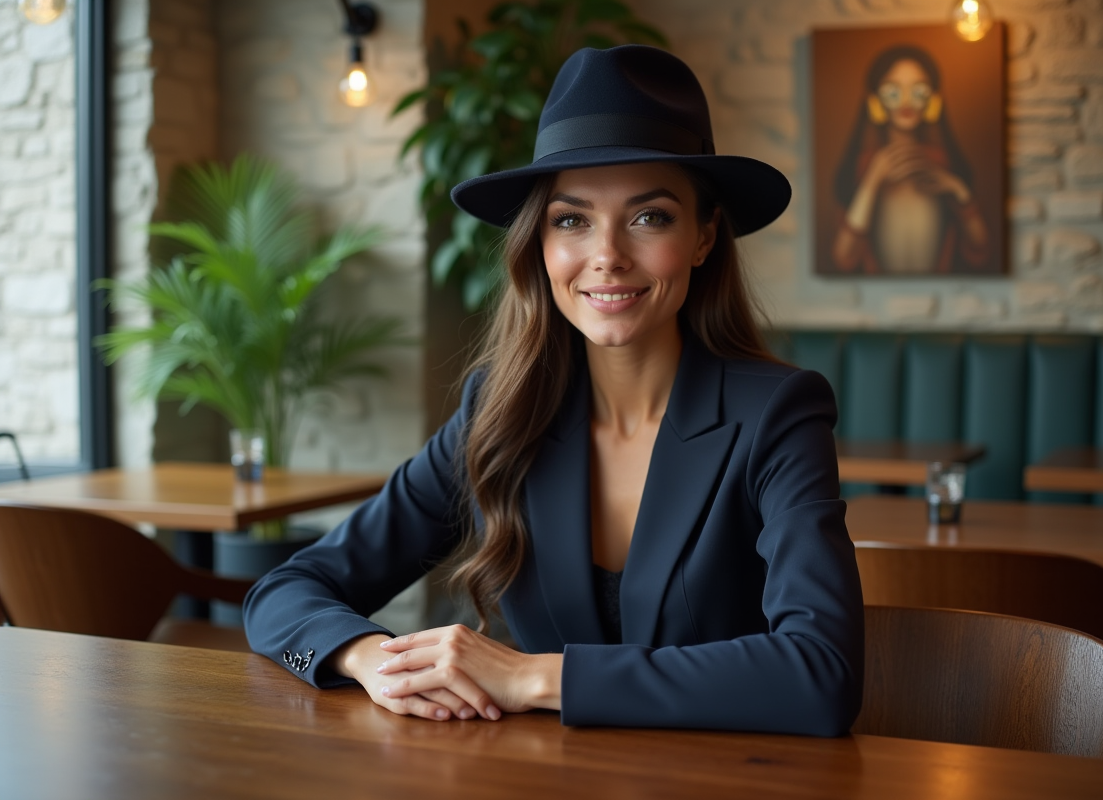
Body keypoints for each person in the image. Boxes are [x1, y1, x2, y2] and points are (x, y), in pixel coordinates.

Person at [244, 44, 863, 736]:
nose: (607, 255)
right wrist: (368, 660)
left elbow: (822, 675)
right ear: (538, 242)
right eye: (571, 220)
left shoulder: (777, 414)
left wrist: (530, 675)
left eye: (649, 216)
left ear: (703, 236)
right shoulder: (499, 412)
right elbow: (282, 595)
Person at [831, 44, 988, 274]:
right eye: (893, 91)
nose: (906, 102)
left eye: (918, 91)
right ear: (875, 100)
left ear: (934, 99)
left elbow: (980, 249)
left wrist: (958, 190)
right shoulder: (865, 166)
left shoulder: (943, 165)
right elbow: (843, 257)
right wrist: (872, 181)